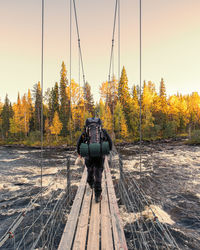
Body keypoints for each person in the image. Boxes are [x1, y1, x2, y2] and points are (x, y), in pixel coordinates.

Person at [77, 117, 112, 203]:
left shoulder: (85, 133)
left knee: (89, 170)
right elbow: (110, 142)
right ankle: (97, 195)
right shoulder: (103, 131)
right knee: (98, 174)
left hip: (89, 155)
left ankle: (90, 182)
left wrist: (79, 153)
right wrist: (108, 151)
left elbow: (79, 143)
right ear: (99, 125)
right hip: (100, 156)